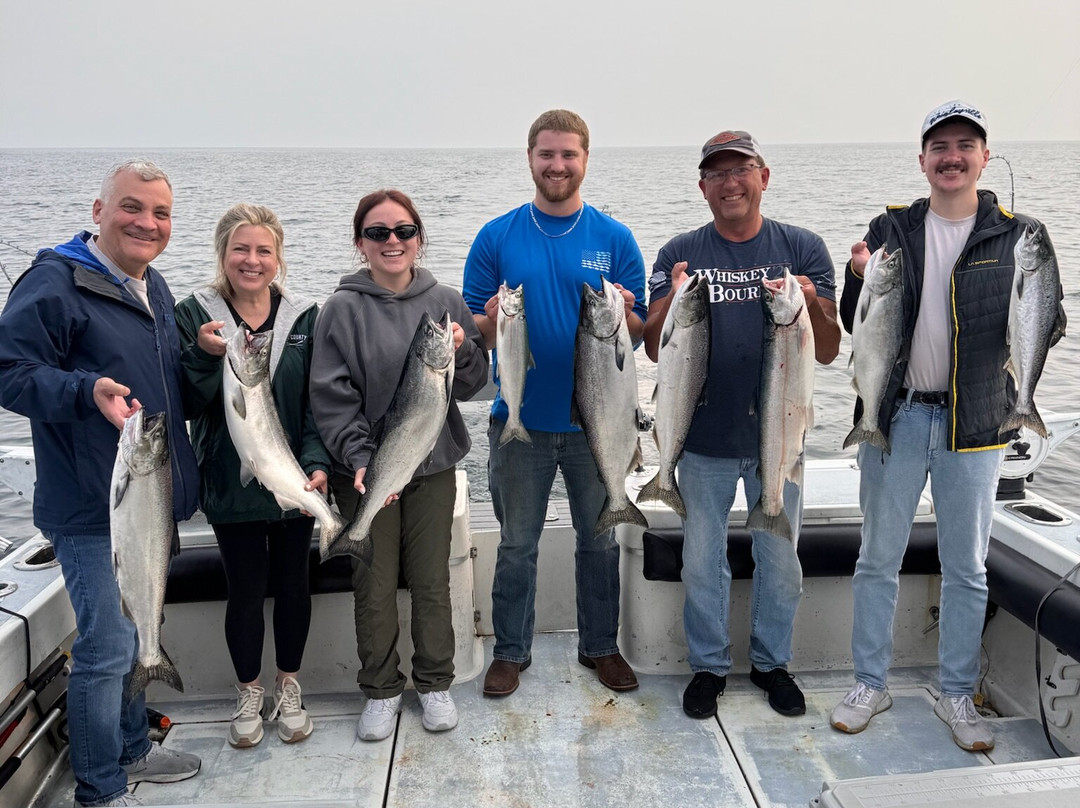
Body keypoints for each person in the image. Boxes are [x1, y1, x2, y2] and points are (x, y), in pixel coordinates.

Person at [830, 101, 1066, 751]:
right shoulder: (892, 227)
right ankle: (868, 683)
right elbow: (863, 322)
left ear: (985, 158)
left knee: (967, 567)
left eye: (966, 144)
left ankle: (958, 694)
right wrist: (855, 280)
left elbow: (1046, 320)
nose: (952, 156)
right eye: (940, 146)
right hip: (895, 415)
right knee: (876, 559)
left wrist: (1025, 383)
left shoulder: (1023, 236)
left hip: (980, 424)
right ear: (923, 160)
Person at [0, 159, 201, 807]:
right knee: (107, 649)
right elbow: (9, 375)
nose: (147, 223)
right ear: (98, 210)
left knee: (141, 627)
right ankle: (100, 787)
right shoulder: (54, 285)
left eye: (161, 213)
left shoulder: (153, 285)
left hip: (151, 492)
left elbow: (166, 380)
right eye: (132, 207)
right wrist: (86, 390)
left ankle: (132, 748)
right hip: (93, 503)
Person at [643, 131, 841, 720]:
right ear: (702, 186)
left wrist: (815, 302)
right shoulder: (680, 251)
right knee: (702, 563)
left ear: (764, 176)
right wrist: (670, 299)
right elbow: (655, 348)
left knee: (781, 562)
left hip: (780, 440)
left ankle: (771, 663)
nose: (731, 182)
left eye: (742, 170)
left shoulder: (802, 247)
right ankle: (708, 666)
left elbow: (827, 350)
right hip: (702, 442)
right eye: (718, 173)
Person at [462, 109, 648, 697]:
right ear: (530, 159)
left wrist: (626, 311)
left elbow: (639, 330)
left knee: (599, 539)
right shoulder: (497, 236)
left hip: (600, 424)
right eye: (547, 154)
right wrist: (487, 322)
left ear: (585, 160)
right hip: (520, 423)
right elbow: (472, 330)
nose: (557, 165)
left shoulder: (614, 239)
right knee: (518, 544)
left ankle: (600, 646)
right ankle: (512, 651)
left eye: (568, 155)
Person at [309, 189, 488, 741]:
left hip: (431, 469)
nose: (393, 241)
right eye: (379, 232)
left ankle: (435, 683)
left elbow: (478, 382)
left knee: (433, 581)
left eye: (404, 231)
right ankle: (381, 690)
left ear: (419, 238)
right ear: (360, 243)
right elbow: (330, 397)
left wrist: (460, 349)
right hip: (364, 471)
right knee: (374, 582)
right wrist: (361, 459)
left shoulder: (448, 301)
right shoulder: (340, 309)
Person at [175, 203, 330, 748]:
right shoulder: (194, 314)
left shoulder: (304, 317)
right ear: (222, 253)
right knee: (244, 591)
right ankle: (249, 691)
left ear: (278, 257)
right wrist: (201, 354)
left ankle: (289, 685)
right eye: (240, 248)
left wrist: (317, 462)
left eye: (263, 250)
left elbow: (317, 402)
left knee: (294, 586)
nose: (252, 260)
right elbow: (188, 403)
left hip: (292, 481)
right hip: (229, 480)